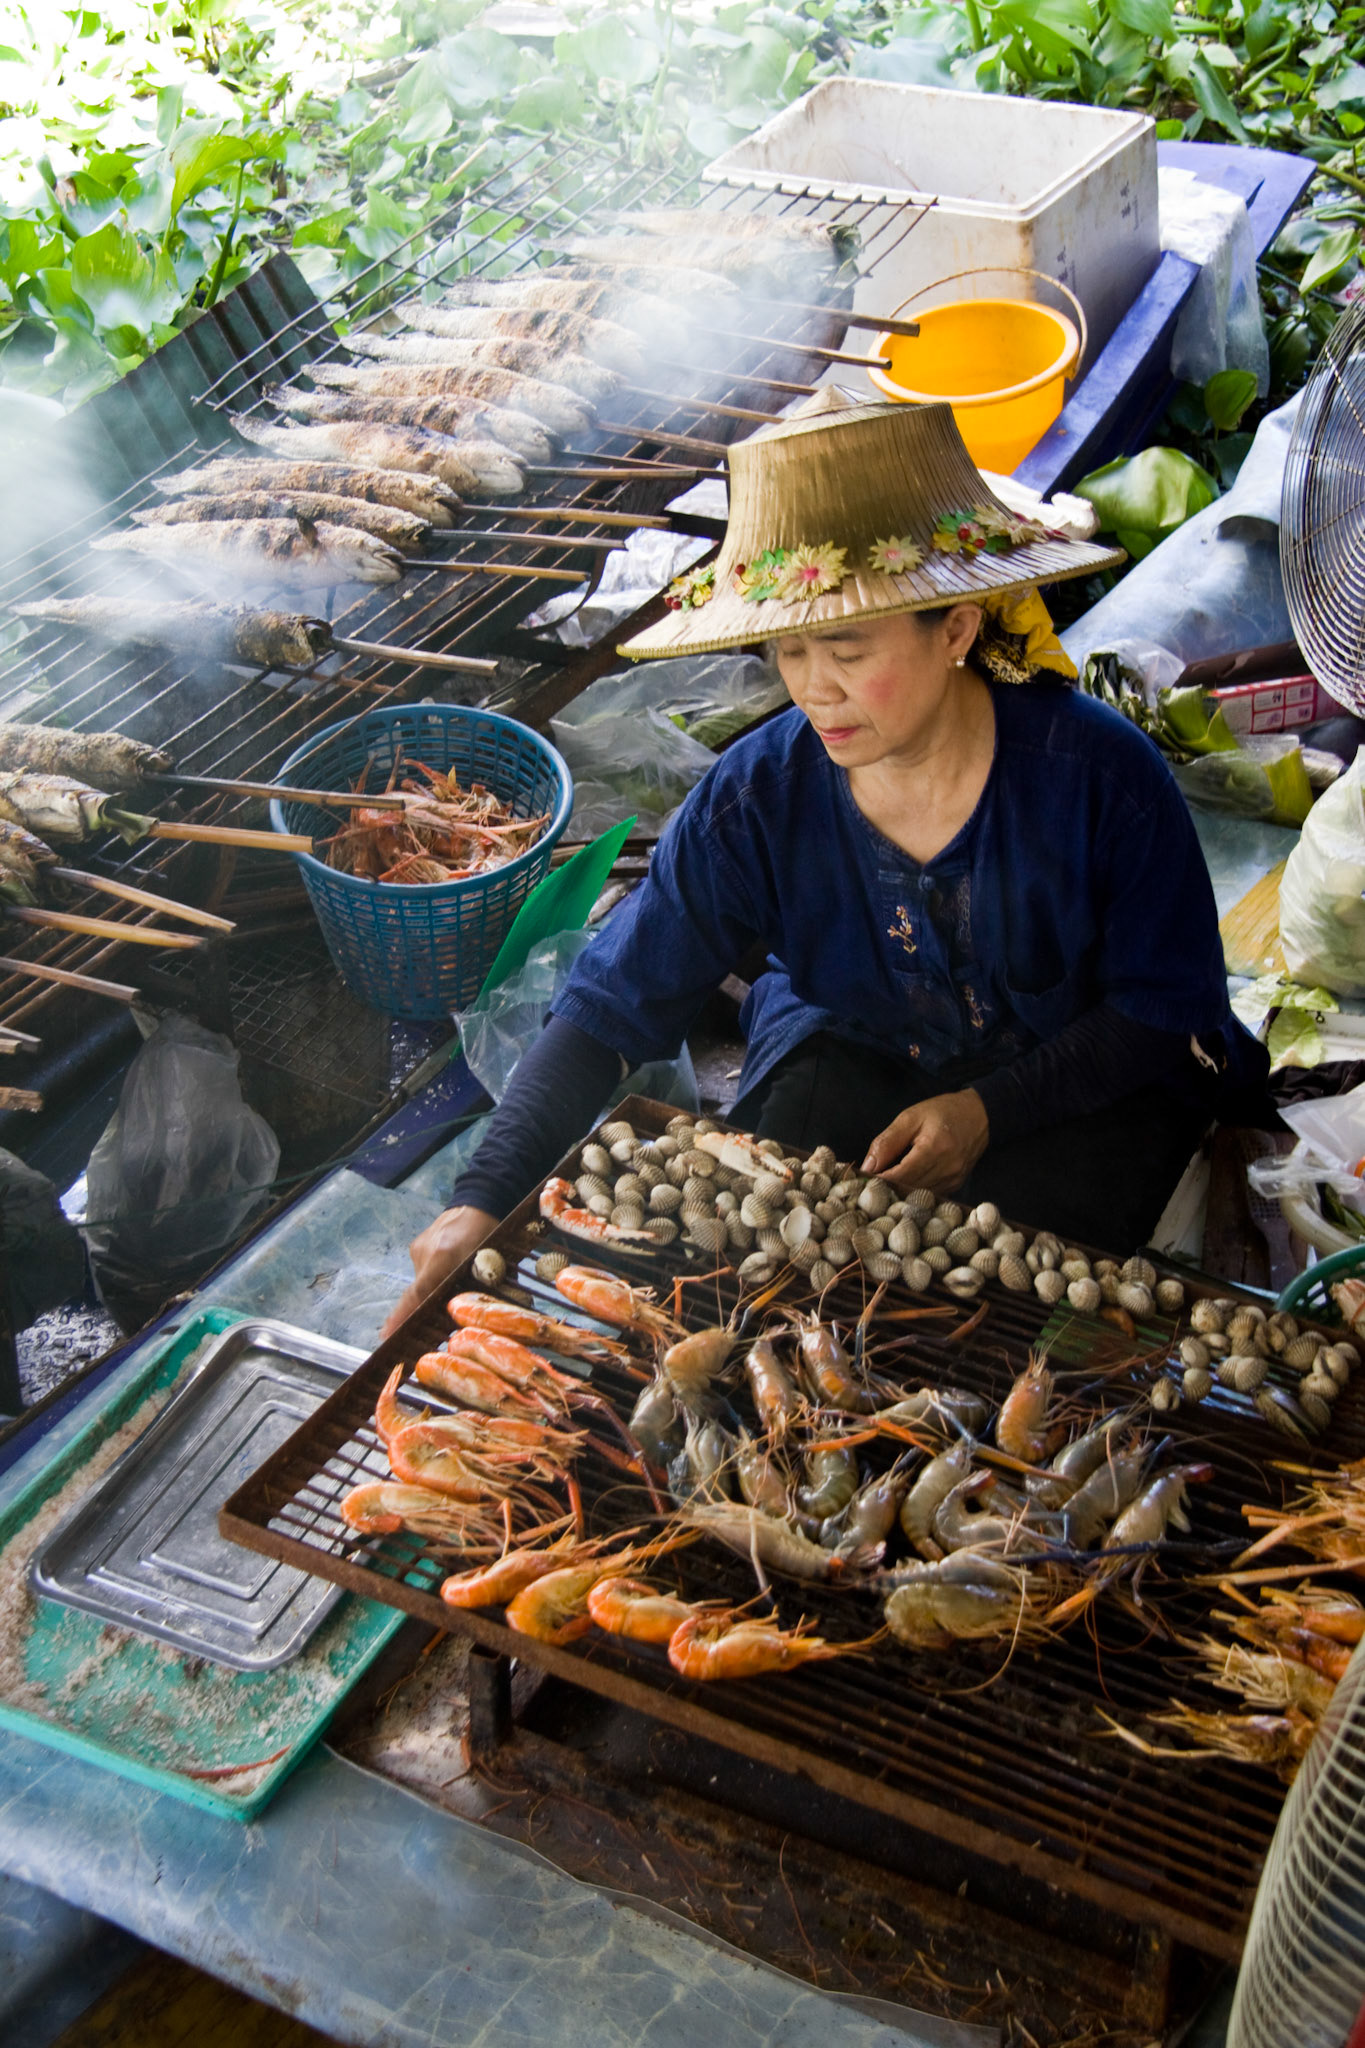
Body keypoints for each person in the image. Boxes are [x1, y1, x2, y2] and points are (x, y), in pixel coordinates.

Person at [383, 390, 1269, 1335]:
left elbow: (1160, 1010)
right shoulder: (757, 797)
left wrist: (987, 1110)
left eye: (847, 646)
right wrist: (481, 1197)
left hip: (1076, 1079)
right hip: (865, 1048)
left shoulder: (1098, 782)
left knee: (994, 1300)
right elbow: (608, 1007)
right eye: (790, 649)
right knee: (761, 1261)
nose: (815, 688)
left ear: (956, 629)